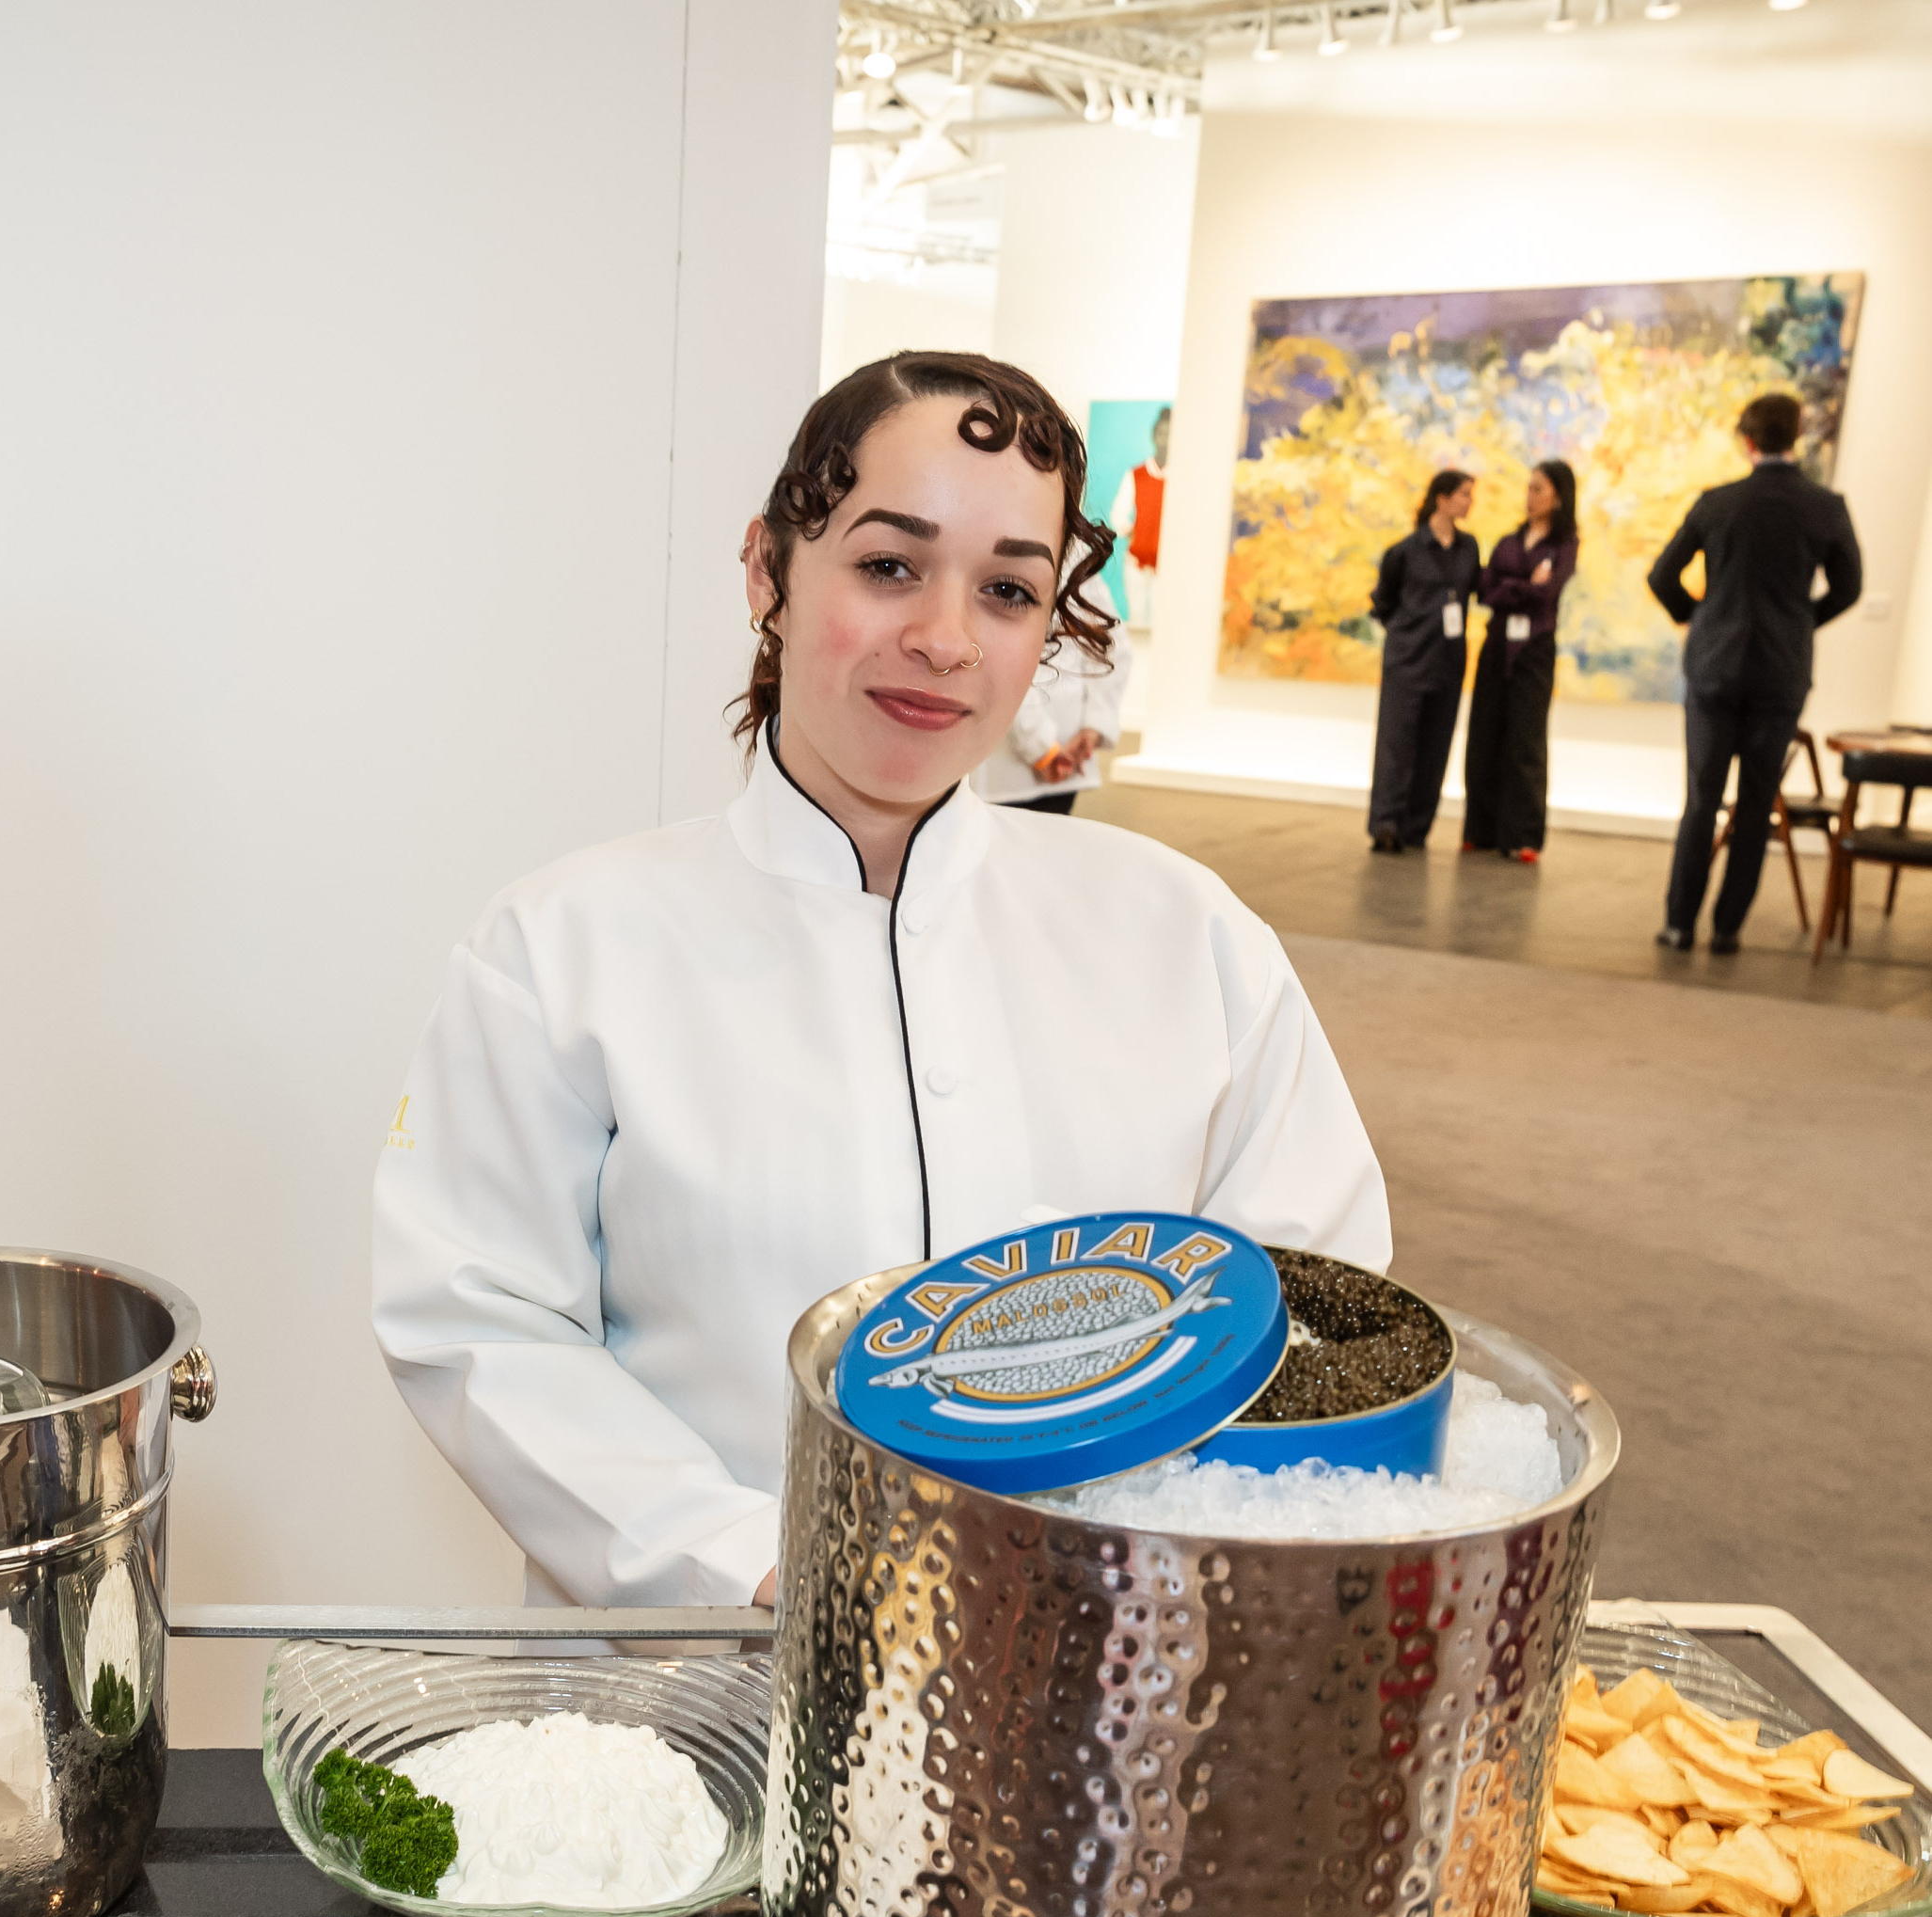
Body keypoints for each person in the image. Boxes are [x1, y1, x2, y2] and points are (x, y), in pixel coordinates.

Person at [369, 354, 1389, 1611]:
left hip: (1107, 1686)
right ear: (768, 572)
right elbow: (476, 1317)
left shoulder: (1183, 934)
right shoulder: (563, 945)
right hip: (702, 1698)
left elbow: (1310, 1299)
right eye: (888, 564)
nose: (943, 639)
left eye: (1008, 589)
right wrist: (746, 1559)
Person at [1647, 391, 1863, 954]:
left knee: (1700, 800)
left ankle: (1678, 924)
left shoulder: (1718, 503)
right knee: (1755, 803)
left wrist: (1697, 616)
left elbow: (1662, 575)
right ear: (1796, 437)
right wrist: (1802, 622)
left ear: (1747, 440)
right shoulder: (1825, 506)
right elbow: (1849, 587)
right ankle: (1726, 930)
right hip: (1780, 674)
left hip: (1715, 669)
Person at [1463, 461, 1579, 863]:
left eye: (1538, 489)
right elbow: (1487, 591)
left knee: (1525, 741)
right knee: (1484, 734)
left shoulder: (1564, 545)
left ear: (1558, 497)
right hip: (1496, 646)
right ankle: (1481, 830)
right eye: (1528, 488)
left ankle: (1524, 836)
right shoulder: (1510, 541)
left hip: (1534, 650)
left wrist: (1514, 589)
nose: (1530, 497)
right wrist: (1525, 586)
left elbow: (1548, 596)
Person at [1364, 470, 1480, 854]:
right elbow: (1383, 603)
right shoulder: (1405, 551)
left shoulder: (1468, 549)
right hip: (1408, 661)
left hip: (1448, 664)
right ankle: (1386, 824)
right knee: (1396, 745)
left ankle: (1416, 828)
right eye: (1464, 494)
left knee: (1435, 747)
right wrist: (1406, 631)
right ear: (1442, 499)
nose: (1469, 502)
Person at [972, 611, 1132, 814]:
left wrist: (1092, 726)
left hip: (1062, 754)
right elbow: (1007, 659)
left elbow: (1111, 645)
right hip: (1025, 755)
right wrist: (1041, 748)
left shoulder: (1087, 582)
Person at [1108, 405, 1168, 633]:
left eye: (1170, 435)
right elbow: (1118, 513)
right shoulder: (1137, 475)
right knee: (1136, 619)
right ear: (1154, 436)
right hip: (1136, 561)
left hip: (1166, 563)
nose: (1165, 440)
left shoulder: (1181, 477)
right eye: (1161, 434)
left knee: (1161, 621)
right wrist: (1131, 531)